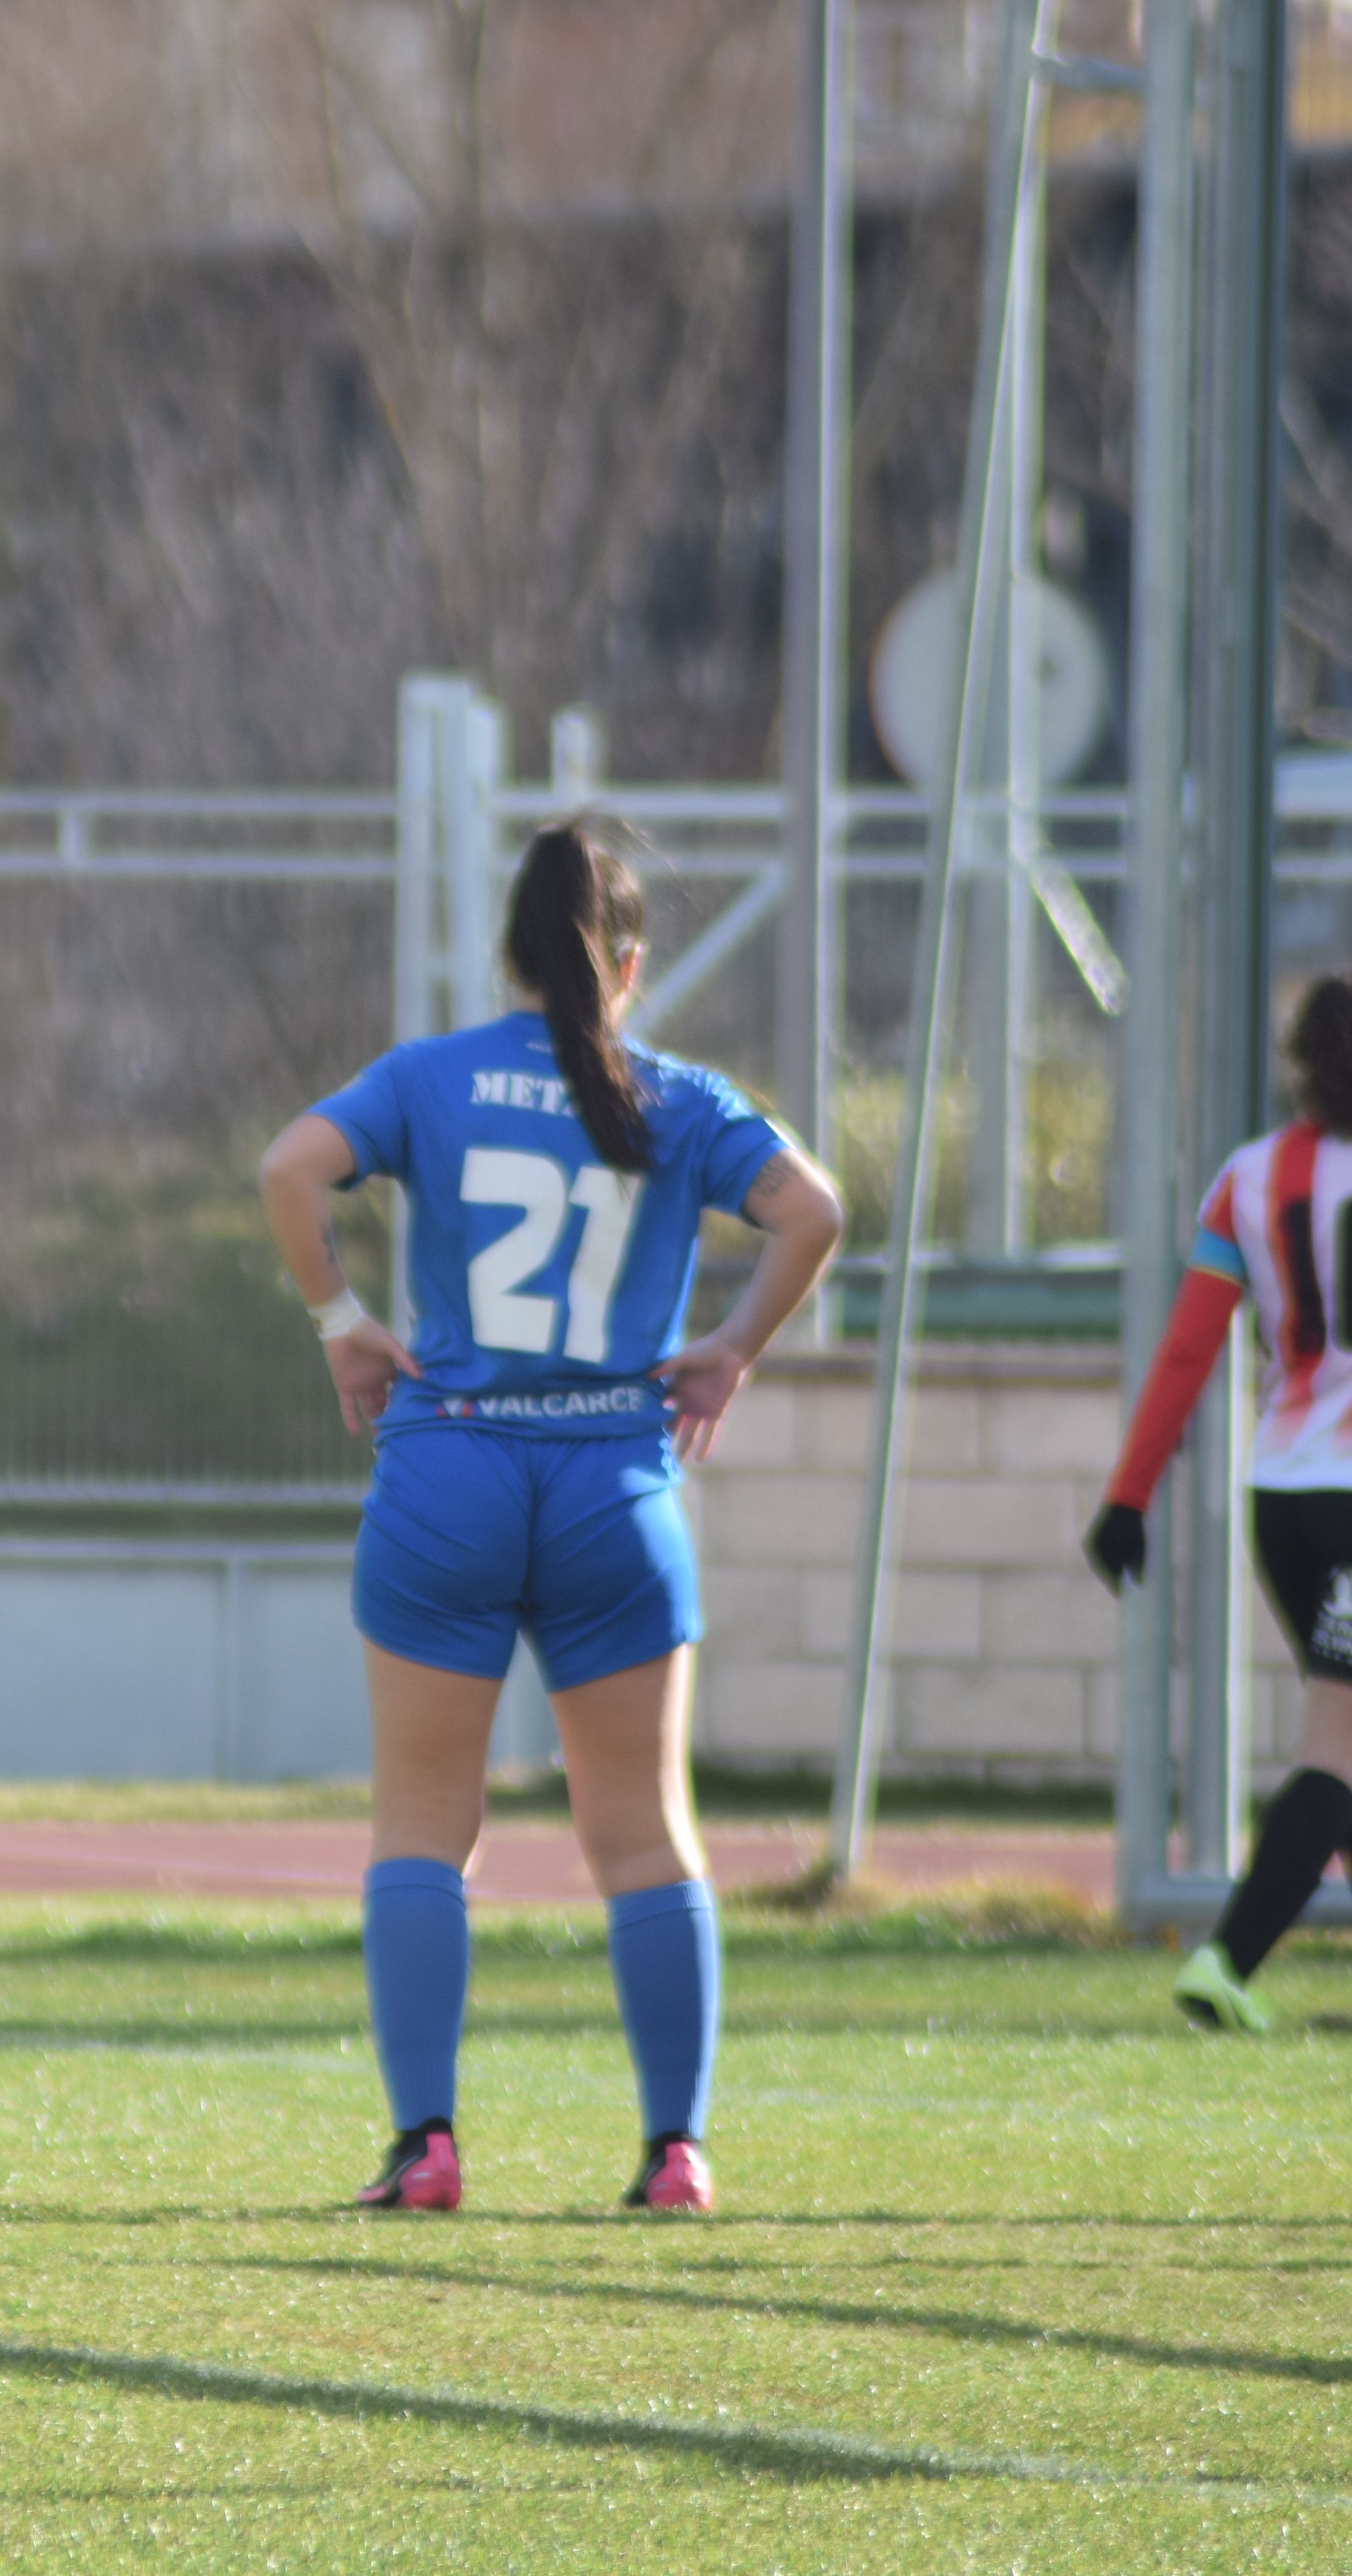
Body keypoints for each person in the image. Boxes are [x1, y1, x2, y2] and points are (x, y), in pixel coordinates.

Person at [256, 815, 841, 2219]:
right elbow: (811, 1210)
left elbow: (289, 1168)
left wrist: (342, 1321)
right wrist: (732, 1349)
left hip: (450, 1471)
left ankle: (430, 2147)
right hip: (611, 1480)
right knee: (644, 1832)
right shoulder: (681, 1095)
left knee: (423, 1825)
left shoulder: (432, 1075)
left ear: (513, 955)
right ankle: (677, 2152)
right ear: (629, 962)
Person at [1086, 968, 1352, 2032]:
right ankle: (1228, 1962)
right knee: (1347, 1748)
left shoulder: (1250, 1178)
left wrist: (1130, 1496)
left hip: (1287, 1504)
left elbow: (1186, 1349)